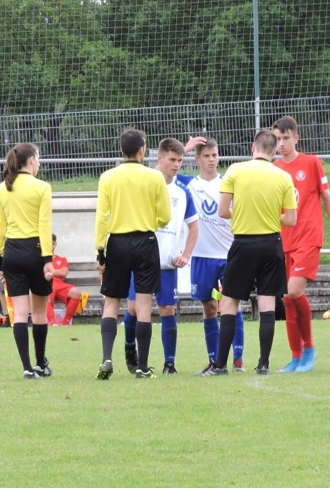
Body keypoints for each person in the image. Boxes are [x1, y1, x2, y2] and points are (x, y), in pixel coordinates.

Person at [201, 129, 296, 375]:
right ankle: (263, 364)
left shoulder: (235, 170)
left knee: (230, 303)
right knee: (267, 305)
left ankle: (220, 365)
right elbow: (291, 219)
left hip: (243, 244)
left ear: (253, 148)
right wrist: (268, 215)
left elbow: (222, 211)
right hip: (271, 245)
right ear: (274, 151)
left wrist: (243, 214)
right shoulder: (283, 177)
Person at [271, 116, 330, 373]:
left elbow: (327, 198)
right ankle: (296, 357)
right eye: (277, 139)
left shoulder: (311, 163)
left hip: (308, 238)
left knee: (292, 292)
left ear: (296, 138)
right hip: (284, 241)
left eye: (285, 138)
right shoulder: (274, 169)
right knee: (287, 299)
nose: (281, 143)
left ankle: (310, 349)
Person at [95, 128, 171, 380]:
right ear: (142, 150)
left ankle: (106, 358)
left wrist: (100, 251)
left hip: (116, 242)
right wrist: (150, 219)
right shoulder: (155, 177)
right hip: (145, 240)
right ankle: (143, 367)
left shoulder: (108, 177)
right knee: (143, 303)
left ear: (121, 150)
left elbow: (102, 218)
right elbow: (165, 216)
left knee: (111, 302)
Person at [181, 136, 247, 373]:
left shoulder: (228, 183)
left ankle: (237, 359)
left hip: (230, 254)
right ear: (197, 159)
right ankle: (213, 360)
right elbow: (159, 176)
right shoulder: (188, 184)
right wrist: (184, 149)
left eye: (215, 155)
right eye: (206, 156)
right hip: (202, 255)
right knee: (209, 307)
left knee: (232, 306)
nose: (211, 160)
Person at [0, 142, 54, 378]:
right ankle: (41, 362)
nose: (39, 163)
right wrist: (47, 258)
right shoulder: (42, 187)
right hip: (35, 251)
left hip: (11, 252)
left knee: (19, 314)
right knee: (39, 313)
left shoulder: (2, 188)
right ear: (31, 161)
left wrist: (1, 264)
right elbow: (44, 226)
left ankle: (27, 368)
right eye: (38, 159)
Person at [152, 138, 199, 373]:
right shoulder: (147, 183)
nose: (177, 164)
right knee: (131, 309)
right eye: (172, 160)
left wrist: (186, 255)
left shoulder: (182, 193)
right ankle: (133, 358)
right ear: (159, 159)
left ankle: (169, 363)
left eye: (180, 160)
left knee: (168, 309)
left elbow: (194, 226)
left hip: (166, 264)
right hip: (141, 260)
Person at [46, 234, 86, 326]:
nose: (51, 246)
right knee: (45, 296)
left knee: (76, 293)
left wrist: (50, 272)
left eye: (53, 243)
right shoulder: (41, 259)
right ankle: (53, 323)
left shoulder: (62, 259)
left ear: (55, 244)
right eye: (49, 243)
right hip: (47, 283)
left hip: (59, 284)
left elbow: (63, 273)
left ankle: (66, 322)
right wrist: (56, 272)